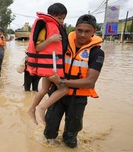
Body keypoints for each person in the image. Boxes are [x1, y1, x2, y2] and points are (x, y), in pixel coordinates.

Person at [44, 14, 104, 148]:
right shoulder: (63, 44)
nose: (82, 34)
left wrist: (63, 82)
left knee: (71, 137)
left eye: (87, 31)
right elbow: (47, 59)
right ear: (75, 28)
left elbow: (89, 81)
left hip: (78, 98)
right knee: (49, 132)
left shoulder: (97, 53)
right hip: (57, 93)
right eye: (79, 30)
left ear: (94, 31)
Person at [27, 3, 69, 125]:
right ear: (51, 15)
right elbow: (37, 47)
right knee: (64, 89)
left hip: (52, 65)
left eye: (63, 19)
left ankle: (31, 109)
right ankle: (42, 107)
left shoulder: (57, 27)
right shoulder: (45, 26)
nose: (61, 21)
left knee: (44, 89)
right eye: (59, 18)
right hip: (52, 67)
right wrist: (51, 39)